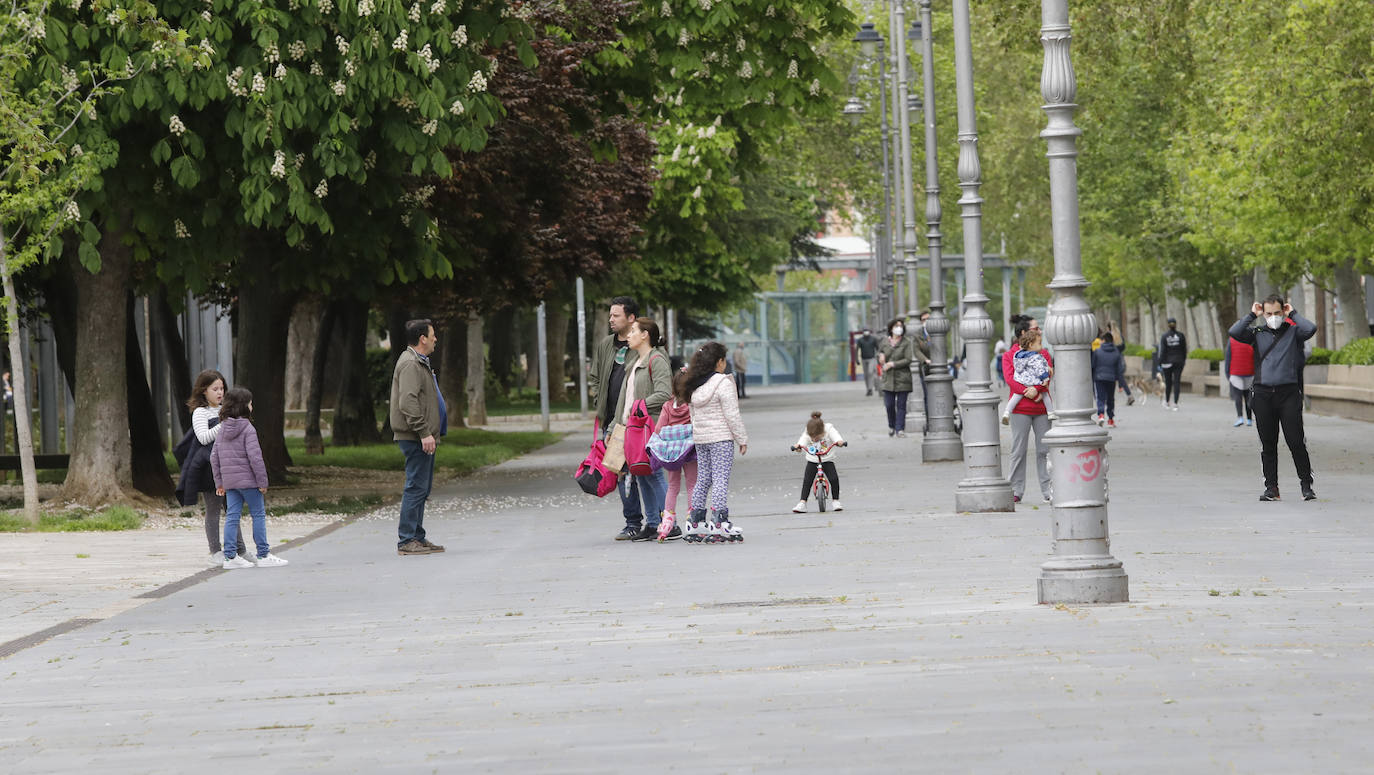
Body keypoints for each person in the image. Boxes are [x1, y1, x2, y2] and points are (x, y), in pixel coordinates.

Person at [1228, 295, 1317, 502]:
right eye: (1269, 313)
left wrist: (1292, 313)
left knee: (1296, 441)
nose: (1273, 317)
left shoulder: (1294, 331)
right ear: (1264, 313)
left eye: (1277, 313)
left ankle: (1306, 485)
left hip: (1289, 394)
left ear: (1283, 311)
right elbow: (1234, 332)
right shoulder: (1257, 333)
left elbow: (1310, 329)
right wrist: (1253, 314)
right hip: (1263, 394)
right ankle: (1272, 488)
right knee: (1268, 443)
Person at [588, 296, 651, 541]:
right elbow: (595, 376)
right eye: (610, 315)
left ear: (631, 318)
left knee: (645, 471)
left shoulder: (643, 342)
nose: (611, 319)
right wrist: (599, 402)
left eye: (616, 315)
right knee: (621, 471)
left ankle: (656, 520)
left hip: (638, 421)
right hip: (612, 423)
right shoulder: (606, 345)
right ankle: (633, 522)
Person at [210, 388, 288, 569]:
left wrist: (219, 482)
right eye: (250, 402)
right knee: (258, 514)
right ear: (244, 406)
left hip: (230, 483)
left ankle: (230, 558)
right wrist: (262, 482)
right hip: (249, 482)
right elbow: (255, 458)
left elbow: (214, 456)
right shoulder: (248, 428)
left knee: (232, 516)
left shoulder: (222, 429)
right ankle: (263, 554)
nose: (252, 406)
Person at [614, 318, 676, 541]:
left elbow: (664, 393)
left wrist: (638, 406)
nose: (628, 335)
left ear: (645, 335)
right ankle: (652, 523)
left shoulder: (656, 360)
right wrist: (615, 425)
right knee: (642, 474)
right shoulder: (634, 362)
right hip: (632, 427)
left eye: (633, 331)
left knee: (654, 472)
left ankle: (670, 522)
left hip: (649, 426)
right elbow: (624, 398)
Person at [390, 318, 448, 556]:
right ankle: (407, 540)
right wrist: (424, 432)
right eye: (432, 334)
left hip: (423, 435)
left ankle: (417, 536)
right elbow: (408, 402)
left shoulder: (420, 362)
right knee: (415, 486)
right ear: (422, 338)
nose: (435, 338)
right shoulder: (411, 364)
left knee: (422, 487)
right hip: (415, 436)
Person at [683, 342, 748, 543]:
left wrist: (699, 434)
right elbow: (732, 415)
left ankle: (695, 522)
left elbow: (692, 414)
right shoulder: (723, 383)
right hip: (721, 439)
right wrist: (741, 438)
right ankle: (719, 522)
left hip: (701, 439)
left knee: (703, 478)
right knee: (720, 479)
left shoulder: (694, 384)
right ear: (719, 362)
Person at [180, 369, 246, 566]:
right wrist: (225, 424)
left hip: (229, 465)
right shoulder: (200, 412)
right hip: (210, 468)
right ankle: (215, 550)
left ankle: (240, 549)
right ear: (203, 391)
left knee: (233, 508)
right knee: (214, 509)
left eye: (222, 388)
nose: (220, 393)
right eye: (215, 389)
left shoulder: (225, 410)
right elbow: (203, 437)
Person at [1002, 326, 1053, 504]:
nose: (1039, 332)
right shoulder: (1009, 356)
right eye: (1034, 329)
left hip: (1041, 410)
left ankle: (1049, 489)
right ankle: (1015, 489)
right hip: (1020, 410)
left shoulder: (1044, 353)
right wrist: (1026, 391)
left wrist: (1036, 389)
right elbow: (1010, 379)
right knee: (1018, 450)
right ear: (1024, 334)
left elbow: (1047, 375)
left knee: (1044, 451)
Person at [657, 370, 697, 536]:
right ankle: (693, 519)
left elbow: (658, 428)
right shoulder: (692, 405)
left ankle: (667, 521)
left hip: (672, 454)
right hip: (689, 452)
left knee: (673, 486)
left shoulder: (667, 406)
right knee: (692, 485)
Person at [790, 411, 846, 513]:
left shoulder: (828, 429)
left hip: (827, 459)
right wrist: (798, 447)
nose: (813, 439)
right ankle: (802, 503)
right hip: (813, 460)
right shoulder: (808, 432)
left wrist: (839, 442)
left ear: (823, 432)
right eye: (812, 438)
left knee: (834, 479)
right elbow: (802, 441)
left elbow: (836, 437)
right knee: (807, 481)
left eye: (816, 438)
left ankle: (835, 501)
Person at [1001, 329, 1056, 424]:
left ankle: (1006, 412)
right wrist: (1046, 378)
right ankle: (1050, 412)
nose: (1041, 346)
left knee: (1015, 397)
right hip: (1034, 382)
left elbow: (1012, 378)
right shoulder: (1037, 356)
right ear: (1031, 345)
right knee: (1045, 395)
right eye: (1039, 343)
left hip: (1022, 380)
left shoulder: (1018, 356)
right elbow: (1041, 370)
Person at [877, 318, 919, 438]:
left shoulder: (906, 342)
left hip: (903, 378)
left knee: (901, 405)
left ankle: (900, 429)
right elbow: (880, 353)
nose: (898, 328)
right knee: (889, 405)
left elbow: (908, 359)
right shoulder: (885, 342)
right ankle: (892, 425)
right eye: (896, 326)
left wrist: (893, 364)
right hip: (888, 379)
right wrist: (880, 356)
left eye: (900, 326)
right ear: (891, 328)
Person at [1090, 332, 1126, 427]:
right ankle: (1110, 419)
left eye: (1101, 340)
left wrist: (1092, 379)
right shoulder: (1116, 352)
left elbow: (1093, 366)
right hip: (1111, 379)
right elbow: (1119, 370)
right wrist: (1121, 384)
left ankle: (1101, 414)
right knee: (1110, 399)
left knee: (1100, 397)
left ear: (1104, 340)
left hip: (1099, 378)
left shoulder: (1097, 352)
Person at [1224, 334, 1255, 428]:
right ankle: (1249, 419)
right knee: (1248, 397)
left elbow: (1228, 357)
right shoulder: (1252, 338)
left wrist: (1227, 374)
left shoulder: (1232, 340)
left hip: (1236, 373)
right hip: (1250, 372)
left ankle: (1240, 418)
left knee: (1238, 396)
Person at [1158, 317, 1188, 410]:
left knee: (1168, 382)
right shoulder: (1181, 336)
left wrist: (1160, 362)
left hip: (1167, 362)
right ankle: (1175, 403)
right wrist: (1183, 361)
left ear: (1168, 325)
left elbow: (1162, 351)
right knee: (1177, 382)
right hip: (1179, 361)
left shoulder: (1164, 336)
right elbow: (1184, 350)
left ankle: (1167, 402)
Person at [856, 328, 881, 396]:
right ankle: (868, 389)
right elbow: (857, 349)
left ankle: (870, 388)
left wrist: (878, 356)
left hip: (872, 358)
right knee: (866, 375)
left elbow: (878, 348)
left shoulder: (873, 339)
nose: (866, 332)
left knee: (870, 372)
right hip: (864, 359)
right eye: (865, 331)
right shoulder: (860, 340)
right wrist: (856, 359)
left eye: (867, 331)